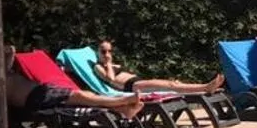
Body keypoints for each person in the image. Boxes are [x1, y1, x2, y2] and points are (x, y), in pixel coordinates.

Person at [0, 45, 141, 117]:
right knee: (81, 97)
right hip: (34, 99)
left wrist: (7, 50)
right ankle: (123, 100)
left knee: (82, 98)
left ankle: (123, 110)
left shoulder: (5, 73)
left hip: (42, 92)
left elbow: (11, 51)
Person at [94, 40, 224, 95]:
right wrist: (109, 64)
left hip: (137, 82)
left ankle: (205, 87)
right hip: (131, 87)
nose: (107, 54)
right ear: (97, 52)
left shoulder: (113, 65)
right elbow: (110, 80)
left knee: (173, 84)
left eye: (109, 51)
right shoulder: (98, 67)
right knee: (171, 85)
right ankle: (206, 87)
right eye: (103, 51)